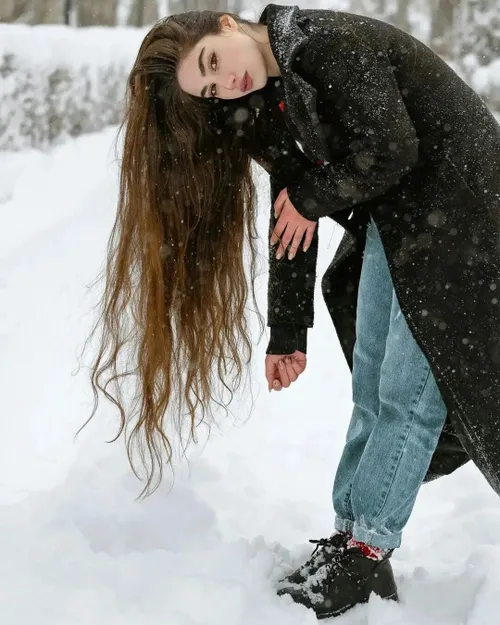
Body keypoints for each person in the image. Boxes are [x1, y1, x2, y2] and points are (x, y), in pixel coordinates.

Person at [82, 2, 500, 620]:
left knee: (410, 395)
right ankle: (348, 536)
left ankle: (368, 552)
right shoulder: (271, 102)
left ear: (225, 25)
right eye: (210, 88)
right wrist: (286, 331)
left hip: (461, 211)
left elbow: (392, 147)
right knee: (372, 383)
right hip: (407, 219)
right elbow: (290, 214)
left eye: (214, 63)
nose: (227, 83)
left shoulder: (324, 44)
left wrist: (309, 195)